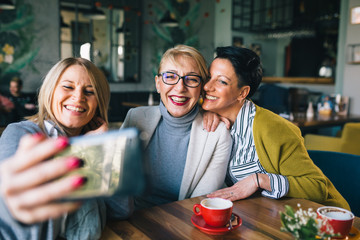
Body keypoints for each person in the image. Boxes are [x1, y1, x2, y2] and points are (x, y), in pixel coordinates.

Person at [202, 46, 349, 210]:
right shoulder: (210, 116)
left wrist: (260, 180)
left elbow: (317, 188)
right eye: (208, 77)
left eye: (222, 81)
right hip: (257, 216)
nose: (207, 87)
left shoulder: (273, 129)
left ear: (242, 93)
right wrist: (205, 113)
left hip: (320, 220)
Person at [0, 58, 131, 239]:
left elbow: (122, 210)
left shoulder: (98, 141)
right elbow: (24, 220)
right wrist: (83, 152)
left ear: (99, 104)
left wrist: (101, 149)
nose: (78, 97)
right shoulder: (19, 133)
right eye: (68, 87)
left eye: (90, 91)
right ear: (50, 91)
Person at [121, 45, 232, 209]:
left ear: (201, 89)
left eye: (192, 79)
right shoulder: (135, 118)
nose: (180, 88)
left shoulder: (218, 134)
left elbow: (200, 202)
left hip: (183, 222)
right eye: (170, 77)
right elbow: (117, 184)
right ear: (158, 84)